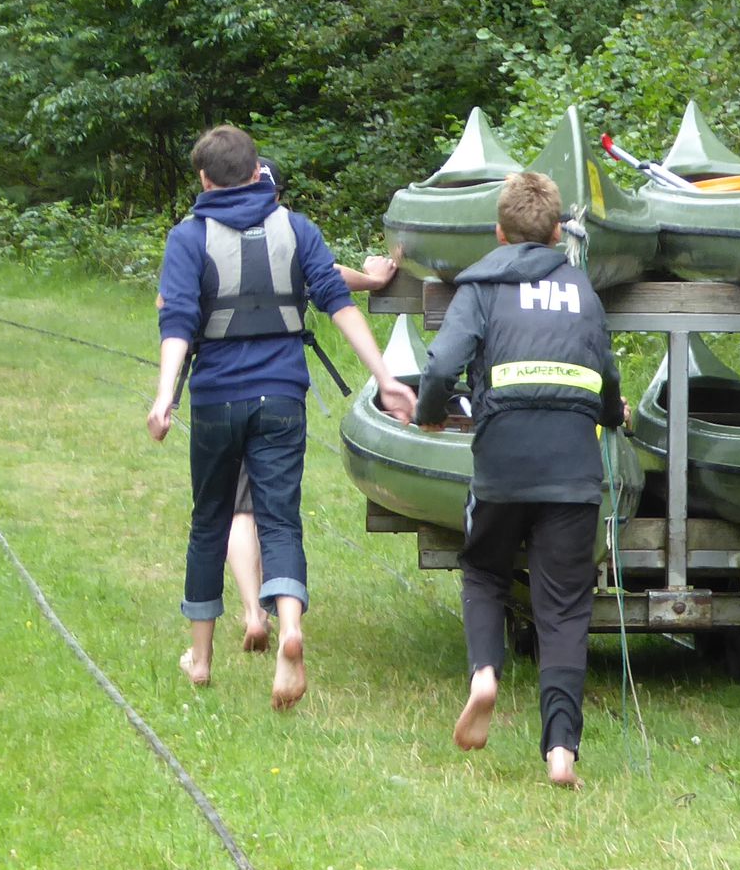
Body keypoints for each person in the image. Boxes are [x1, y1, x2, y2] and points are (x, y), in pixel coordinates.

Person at [148, 124, 416, 697]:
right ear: (255, 172)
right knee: (279, 519)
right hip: (283, 397)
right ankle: (289, 628)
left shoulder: (187, 238)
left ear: (203, 178)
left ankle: (200, 659)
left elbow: (176, 324)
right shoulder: (296, 230)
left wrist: (165, 395)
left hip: (218, 398)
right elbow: (339, 303)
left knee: (209, 520)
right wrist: (386, 377)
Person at [415, 170, 625, 789]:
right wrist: (613, 417)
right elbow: (606, 378)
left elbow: (442, 367)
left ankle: (485, 675)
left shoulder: (481, 285)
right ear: (558, 232)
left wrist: (432, 415)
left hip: (503, 467)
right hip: (572, 472)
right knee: (563, 608)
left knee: (483, 569)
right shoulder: (583, 290)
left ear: (499, 232)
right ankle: (561, 751)